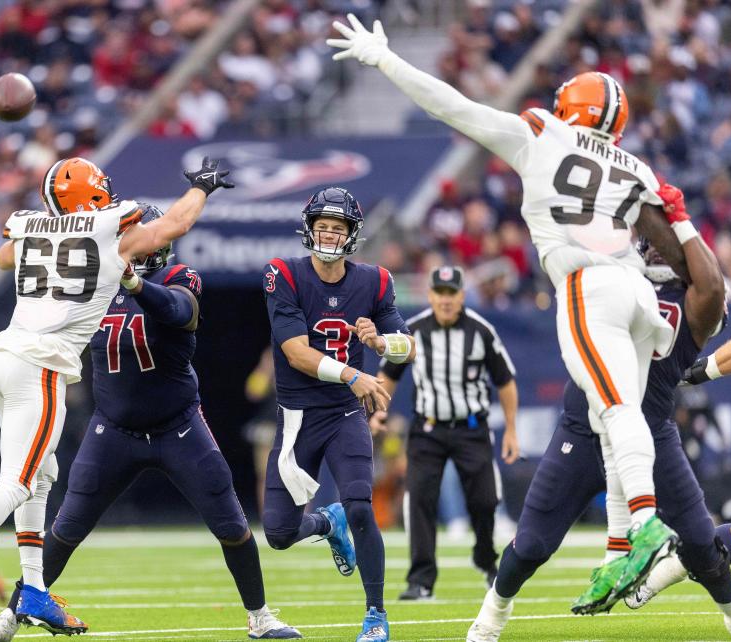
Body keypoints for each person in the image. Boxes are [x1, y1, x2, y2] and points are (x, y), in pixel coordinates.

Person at [328, 15, 693, 607]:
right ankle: (619, 550)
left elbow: (454, 107)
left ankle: (647, 525)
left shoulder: (543, 132)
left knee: (616, 412)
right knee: (611, 420)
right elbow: (665, 245)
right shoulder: (637, 167)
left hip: (588, 284)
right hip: (638, 290)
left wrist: (386, 61)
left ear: (567, 106)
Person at [0, 203, 300, 642]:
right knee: (64, 530)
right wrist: (2, 351)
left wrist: (134, 282)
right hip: (114, 429)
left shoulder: (178, 276)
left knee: (232, 525)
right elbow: (52, 329)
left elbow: (181, 313)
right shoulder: (95, 284)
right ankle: (7, 620)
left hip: (178, 426)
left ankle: (261, 616)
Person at [0, 156, 234, 635]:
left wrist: (57, 239)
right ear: (94, 196)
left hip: (0, 355)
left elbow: (3, 257)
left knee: (41, 476)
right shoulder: (109, 228)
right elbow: (175, 223)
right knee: (17, 481)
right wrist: (202, 187)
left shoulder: (31, 226)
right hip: (40, 367)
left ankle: (34, 590)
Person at [466, 184, 731, 641]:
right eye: (650, 240)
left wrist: (679, 219)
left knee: (699, 541)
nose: (653, 248)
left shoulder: (696, 302)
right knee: (532, 544)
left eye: (665, 244)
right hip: (584, 429)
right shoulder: (608, 276)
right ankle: (489, 619)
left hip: (650, 434)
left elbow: (710, 284)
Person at [261, 186, 416, 642]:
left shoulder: (374, 281)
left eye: (337, 228)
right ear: (308, 230)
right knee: (279, 533)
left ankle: (376, 614)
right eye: (322, 227)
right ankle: (328, 523)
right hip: (297, 416)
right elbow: (295, 353)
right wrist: (355, 374)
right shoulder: (283, 274)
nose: (328, 235)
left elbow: (407, 347)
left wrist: (380, 343)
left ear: (352, 234)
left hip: (344, 415)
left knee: (362, 507)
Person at [370, 265, 519, 600]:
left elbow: (505, 381)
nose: (446, 300)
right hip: (428, 429)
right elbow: (389, 373)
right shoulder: (414, 331)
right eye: (440, 292)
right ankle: (420, 579)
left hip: (471, 429)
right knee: (420, 499)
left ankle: (484, 557)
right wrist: (380, 411)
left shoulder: (481, 331)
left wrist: (511, 429)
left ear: (462, 296)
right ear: (431, 294)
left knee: (484, 501)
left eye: (452, 293)